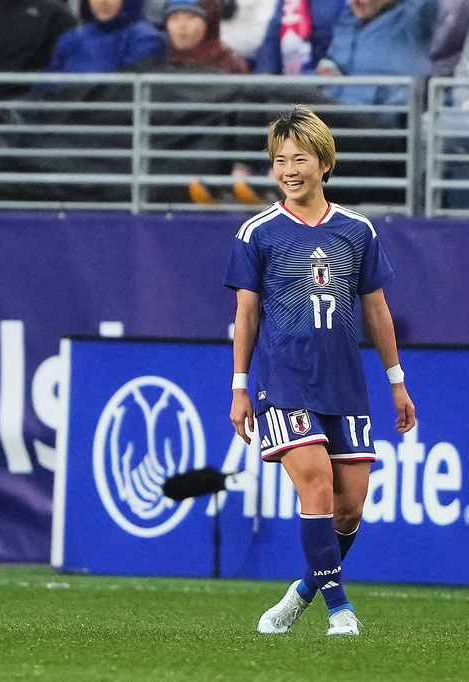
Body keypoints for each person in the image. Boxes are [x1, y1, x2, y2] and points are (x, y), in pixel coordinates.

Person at [224, 105, 415, 636]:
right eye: (279, 159)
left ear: (324, 163)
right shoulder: (257, 233)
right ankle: (340, 609)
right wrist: (240, 389)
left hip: (345, 384)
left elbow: (376, 310)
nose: (289, 169)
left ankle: (301, 592)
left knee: (349, 510)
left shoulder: (357, 230)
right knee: (317, 489)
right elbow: (246, 313)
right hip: (284, 381)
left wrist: (397, 382)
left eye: (300, 158)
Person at [47, 0, 167, 74]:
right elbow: (48, 82)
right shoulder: (71, 38)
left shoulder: (147, 39)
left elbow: (124, 91)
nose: (103, 1)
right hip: (65, 112)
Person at [164, 0, 250, 74]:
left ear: (207, 24)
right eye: (174, 18)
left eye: (191, 17)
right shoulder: (159, 57)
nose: (182, 25)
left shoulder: (229, 62)